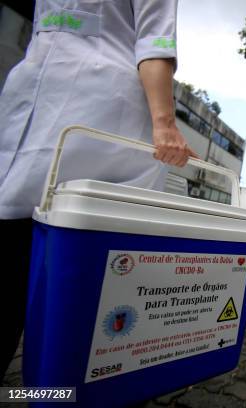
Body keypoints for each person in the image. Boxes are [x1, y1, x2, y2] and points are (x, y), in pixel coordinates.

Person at [0, 0, 196, 379]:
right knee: (70, 272)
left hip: (90, 115)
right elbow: (155, 41)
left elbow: (153, 43)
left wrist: (164, 123)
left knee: (44, 254)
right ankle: (59, 388)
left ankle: (56, 390)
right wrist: (164, 126)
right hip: (61, 105)